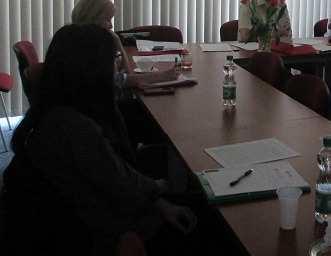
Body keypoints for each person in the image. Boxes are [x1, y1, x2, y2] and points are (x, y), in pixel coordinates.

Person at [0, 24, 198, 255]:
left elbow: (113, 176)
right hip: (103, 234)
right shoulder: (74, 128)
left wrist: (158, 200)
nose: (116, 65)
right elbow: (124, 189)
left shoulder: (53, 112)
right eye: (113, 59)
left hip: (97, 218)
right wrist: (160, 186)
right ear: (92, 69)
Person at [72, 0, 179, 93]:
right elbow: (122, 80)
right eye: (107, 20)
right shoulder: (86, 47)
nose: (111, 26)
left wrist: (117, 41)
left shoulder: (75, 38)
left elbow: (124, 73)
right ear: (92, 18)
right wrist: (162, 76)